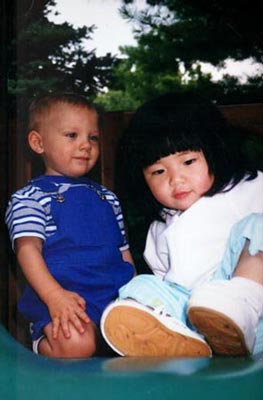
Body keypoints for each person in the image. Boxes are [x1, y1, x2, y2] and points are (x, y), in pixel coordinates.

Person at [100, 91, 263, 358]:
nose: (176, 180)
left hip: (252, 315)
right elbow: (164, 278)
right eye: (158, 171)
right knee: (141, 286)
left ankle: (241, 301)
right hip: (191, 315)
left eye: (188, 162)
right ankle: (179, 341)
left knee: (258, 227)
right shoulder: (159, 228)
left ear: (214, 151)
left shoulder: (244, 188)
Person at [5, 93, 135, 358]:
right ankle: (41, 345)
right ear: (38, 143)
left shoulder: (107, 198)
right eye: (72, 135)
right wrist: (54, 297)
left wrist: (135, 295)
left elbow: (124, 253)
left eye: (93, 137)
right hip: (65, 301)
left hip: (115, 300)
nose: (85, 145)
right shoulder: (30, 198)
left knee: (148, 336)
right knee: (76, 343)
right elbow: (27, 250)